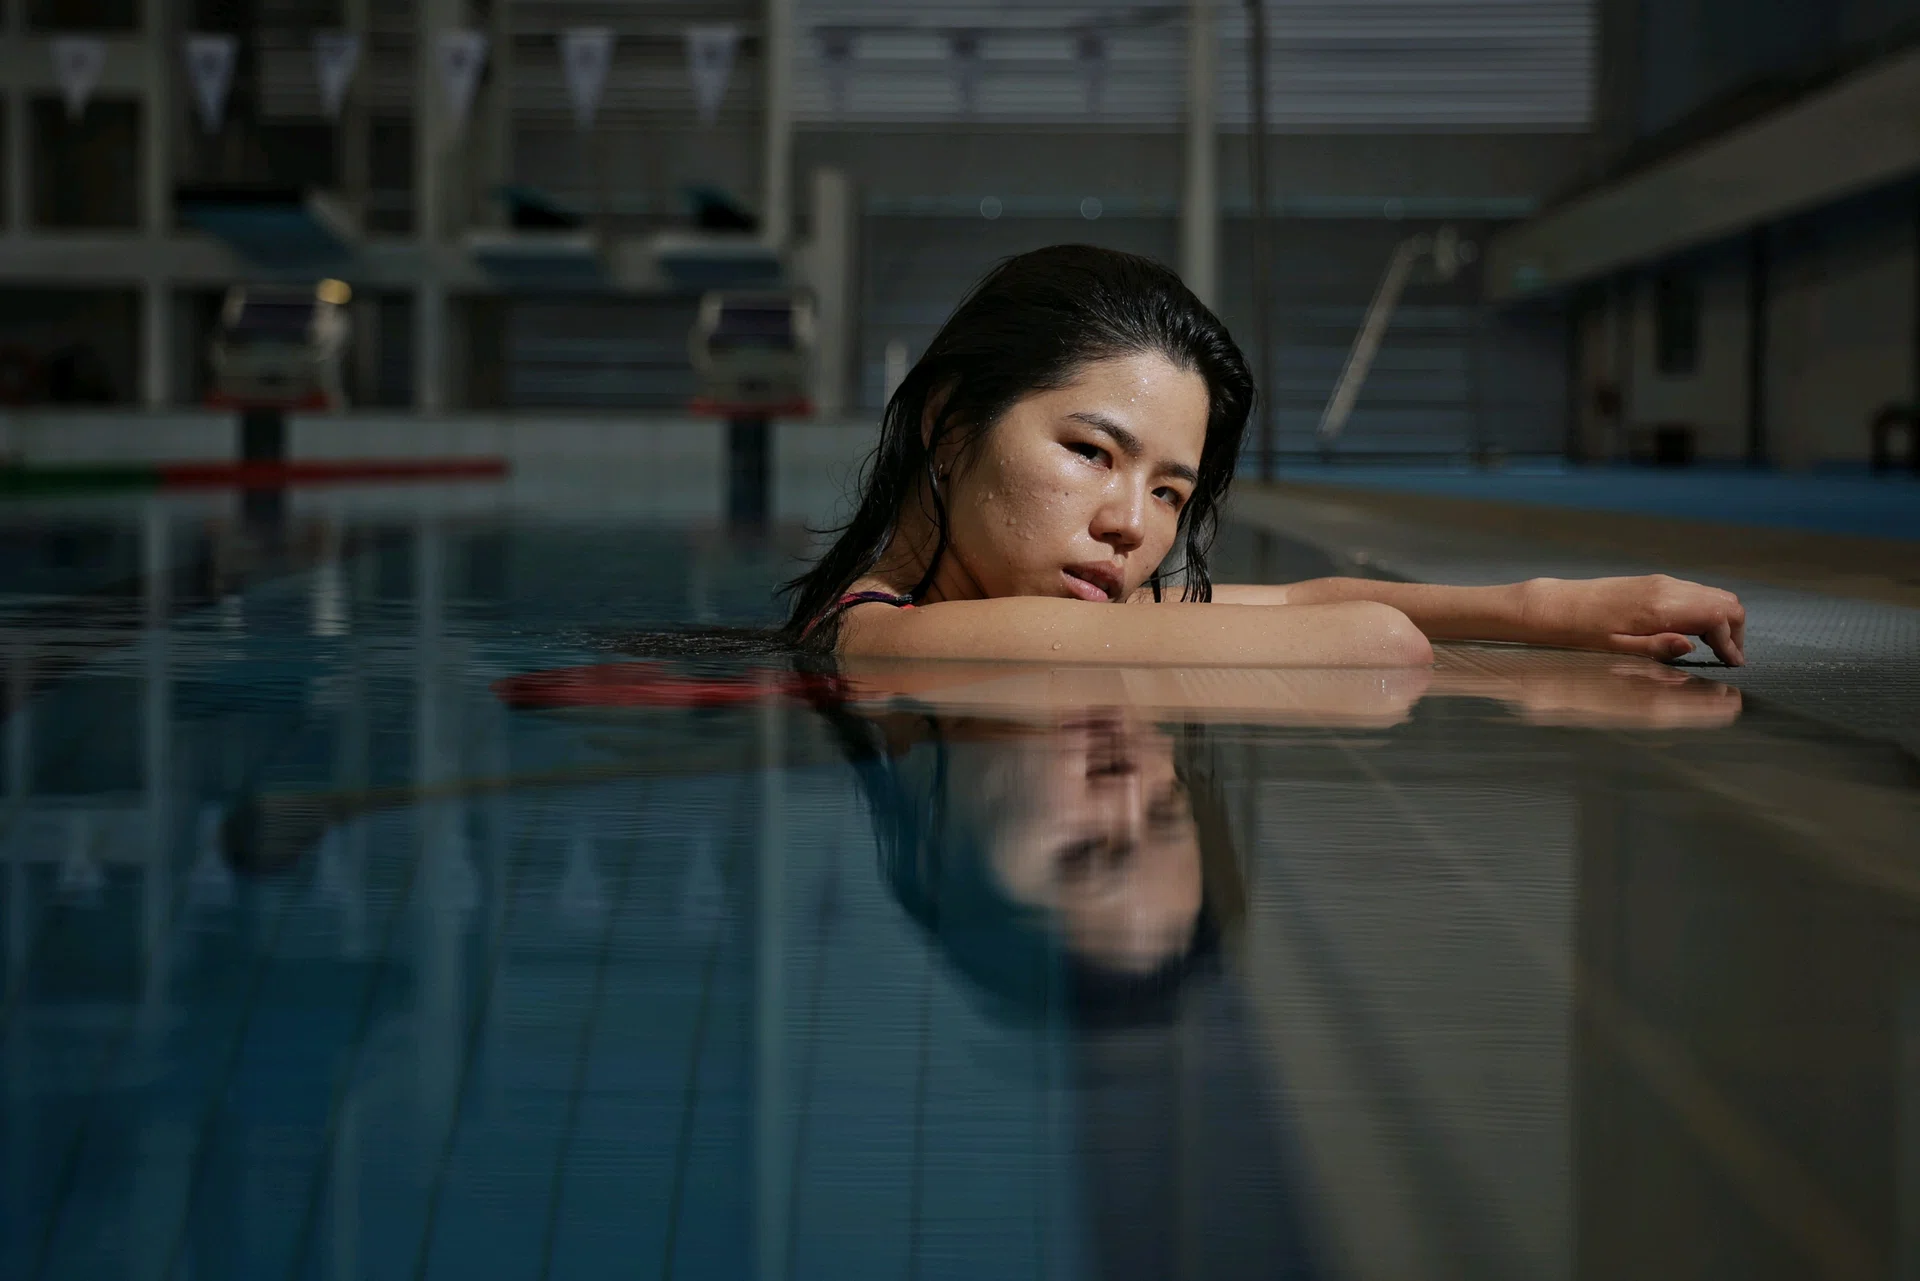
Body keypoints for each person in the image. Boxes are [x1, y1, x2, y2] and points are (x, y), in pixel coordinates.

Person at [784, 245, 1747, 668]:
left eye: (1171, 491)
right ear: (949, 424)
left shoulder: (969, 608)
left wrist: (1552, 610)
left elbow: (1298, 601)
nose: (1131, 524)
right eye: (1089, 451)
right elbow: (1370, 643)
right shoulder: (892, 643)